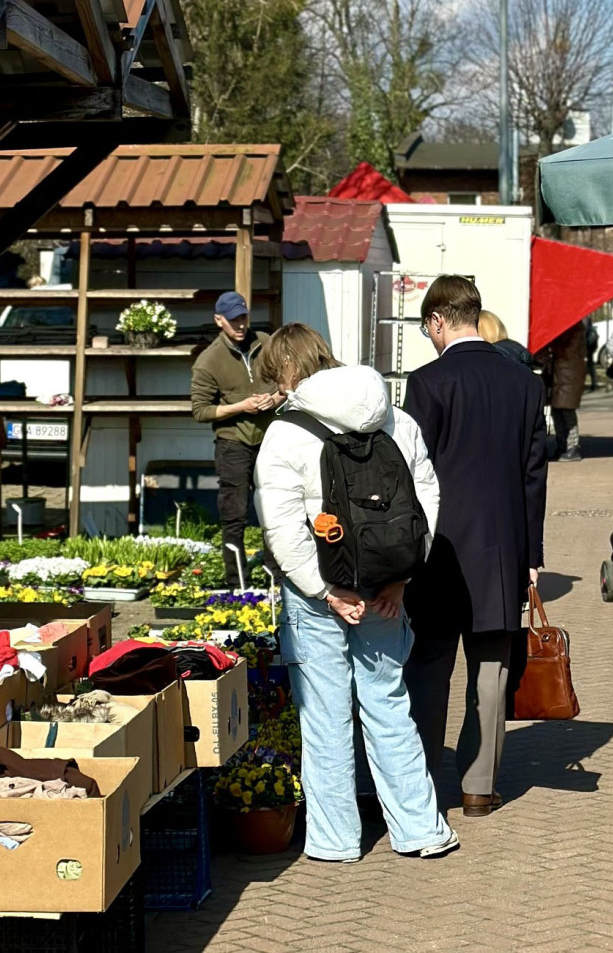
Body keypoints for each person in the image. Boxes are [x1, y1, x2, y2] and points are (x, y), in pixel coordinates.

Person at [252, 324, 459, 862]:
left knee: (324, 717)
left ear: (286, 372)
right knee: (389, 703)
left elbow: (280, 526)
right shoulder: (394, 416)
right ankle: (421, 829)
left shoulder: (286, 431)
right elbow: (425, 498)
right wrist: (401, 577)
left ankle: (337, 839)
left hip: (320, 591)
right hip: (385, 587)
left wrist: (324, 590)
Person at [403, 275, 548, 818]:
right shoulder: (525, 384)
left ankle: (417, 787)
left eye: (426, 328)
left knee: (427, 671)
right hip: (503, 549)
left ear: (439, 320)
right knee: (491, 672)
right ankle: (479, 789)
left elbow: (413, 475)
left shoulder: (426, 383)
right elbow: (534, 476)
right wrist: (532, 555)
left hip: (439, 549)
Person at [190, 291, 282, 589]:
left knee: (275, 509)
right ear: (219, 321)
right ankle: (235, 584)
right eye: (232, 320)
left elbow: (290, 381)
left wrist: (277, 398)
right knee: (235, 514)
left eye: (243, 317)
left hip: (271, 440)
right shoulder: (208, 361)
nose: (240, 325)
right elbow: (200, 410)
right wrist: (240, 407)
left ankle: (276, 579)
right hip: (233, 443)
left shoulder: (267, 343)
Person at [539, 320, 587, 462]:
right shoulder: (567, 327)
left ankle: (572, 446)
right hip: (561, 375)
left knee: (567, 411)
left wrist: (552, 346)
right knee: (557, 411)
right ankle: (562, 444)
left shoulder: (575, 329)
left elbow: (568, 350)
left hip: (568, 375)